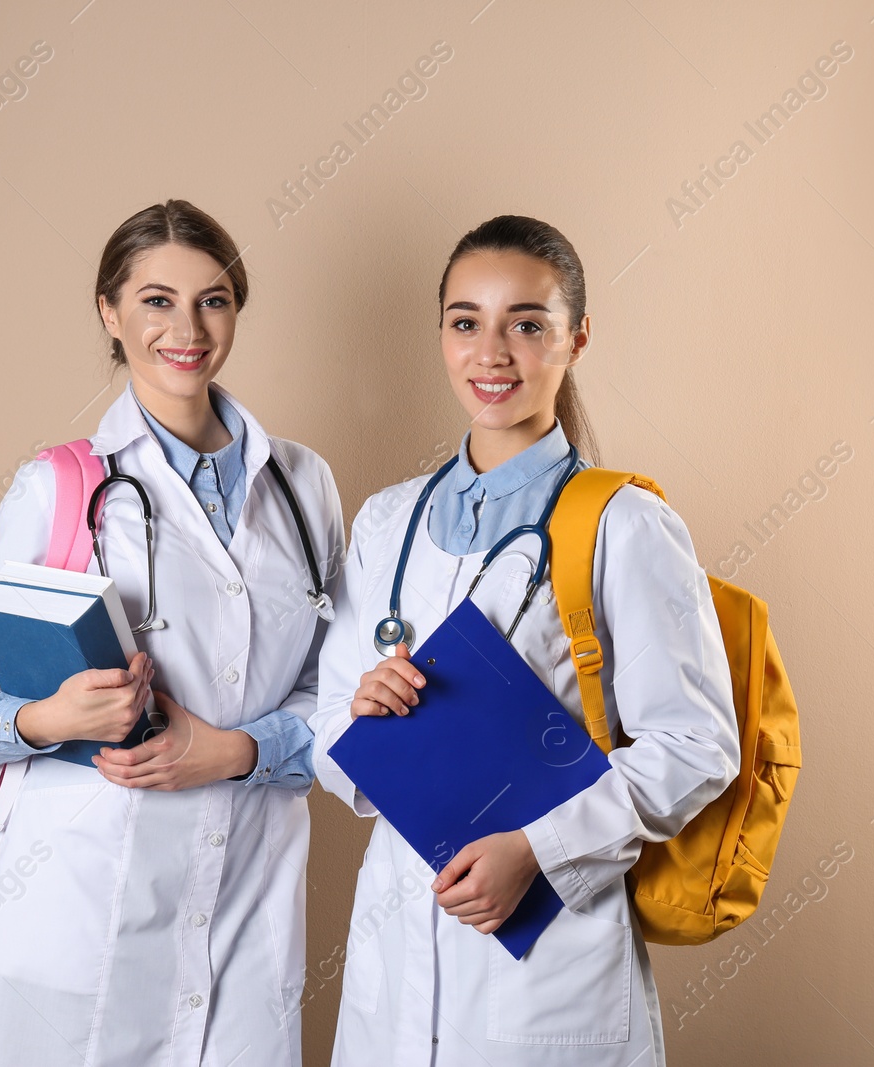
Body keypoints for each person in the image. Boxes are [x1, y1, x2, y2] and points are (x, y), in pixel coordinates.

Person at [310, 215, 741, 1066]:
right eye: (466, 321)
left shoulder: (624, 523)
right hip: (393, 960)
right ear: (441, 334)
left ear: (576, 338)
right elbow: (326, 738)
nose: (492, 351)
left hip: (549, 964)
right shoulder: (388, 520)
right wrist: (363, 713)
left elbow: (699, 745)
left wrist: (536, 851)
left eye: (528, 324)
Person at [0, 199, 343, 1067]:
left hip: (243, 916)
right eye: (156, 300)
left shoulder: (305, 486)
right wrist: (54, 717)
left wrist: (231, 749)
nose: (185, 328)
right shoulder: (60, 487)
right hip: (76, 918)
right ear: (110, 313)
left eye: (213, 299)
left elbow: (340, 705)